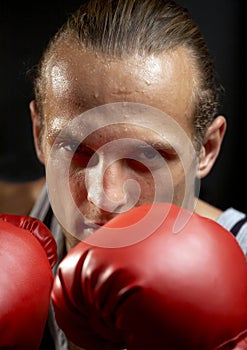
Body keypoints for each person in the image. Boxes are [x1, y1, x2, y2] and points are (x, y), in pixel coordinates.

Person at [27, 0, 247, 348]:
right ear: (39, 132)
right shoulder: (17, 233)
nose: (106, 196)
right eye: (76, 150)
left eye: (145, 157)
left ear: (207, 148)